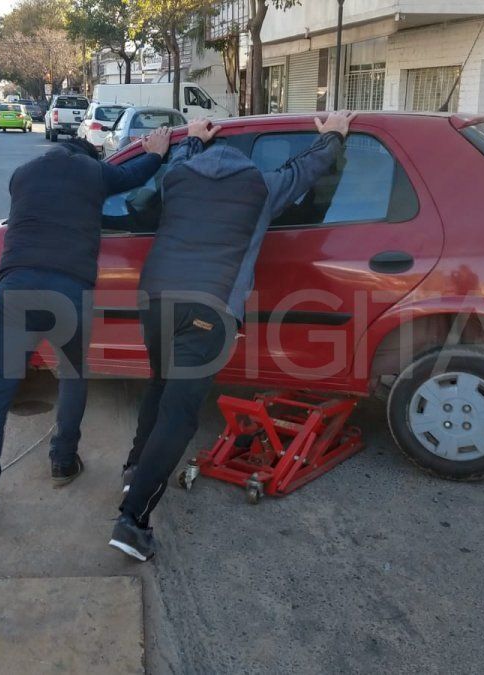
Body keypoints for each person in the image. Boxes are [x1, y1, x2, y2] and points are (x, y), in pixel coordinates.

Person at [109, 112, 355, 562]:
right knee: (180, 416)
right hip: (210, 306)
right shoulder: (260, 185)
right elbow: (308, 168)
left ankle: (134, 470)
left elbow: (178, 161)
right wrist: (335, 135)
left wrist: (191, 143)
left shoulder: (179, 174)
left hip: (157, 299)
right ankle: (133, 519)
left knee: (161, 386)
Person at [0, 131, 173, 531]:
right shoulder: (93, 172)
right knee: (72, 376)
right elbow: (134, 177)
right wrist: (156, 154)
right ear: (88, 155)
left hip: (16, 286)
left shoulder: (21, 173)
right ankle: (63, 461)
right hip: (69, 289)